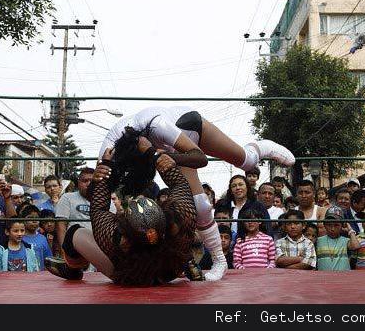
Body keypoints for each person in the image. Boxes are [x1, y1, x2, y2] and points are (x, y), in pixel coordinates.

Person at [97, 106, 296, 281]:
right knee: (199, 204)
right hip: (157, 148)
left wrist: (164, 156)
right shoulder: (108, 152)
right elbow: (98, 200)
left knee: (247, 162)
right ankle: (220, 260)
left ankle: (261, 146)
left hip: (185, 125)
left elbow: (200, 158)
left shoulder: (157, 125)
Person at [45, 149, 201, 286]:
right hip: (170, 269)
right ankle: (186, 261)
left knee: (75, 232)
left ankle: (72, 270)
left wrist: (105, 165)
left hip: (128, 274)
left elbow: (99, 207)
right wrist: (155, 154)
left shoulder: (117, 239)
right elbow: (180, 186)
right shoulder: (178, 225)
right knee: (180, 232)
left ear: (126, 232)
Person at [220, 175, 271, 243]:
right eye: (234, 186)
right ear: (231, 190)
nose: (237, 188)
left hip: (251, 247)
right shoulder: (224, 206)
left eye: (241, 185)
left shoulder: (258, 206)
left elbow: (267, 228)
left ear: (247, 187)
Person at [55, 168, 94, 253]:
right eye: (85, 181)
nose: (88, 184)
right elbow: (61, 225)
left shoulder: (106, 201)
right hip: (75, 251)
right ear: (79, 182)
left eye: (92, 181)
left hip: (98, 250)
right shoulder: (67, 198)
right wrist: (64, 251)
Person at [316, 206, 360, 271]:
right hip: (323, 278)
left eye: (336, 225)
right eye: (329, 225)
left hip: (342, 278)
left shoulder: (346, 240)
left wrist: (350, 230)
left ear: (342, 225)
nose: (332, 229)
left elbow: (355, 246)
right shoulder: (318, 240)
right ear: (324, 225)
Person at [21, 205, 52, 271]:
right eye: (30, 218)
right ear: (23, 220)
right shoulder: (20, 237)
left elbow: (48, 260)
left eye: (36, 218)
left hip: (39, 276)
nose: (34, 221)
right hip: (22, 276)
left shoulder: (43, 239)